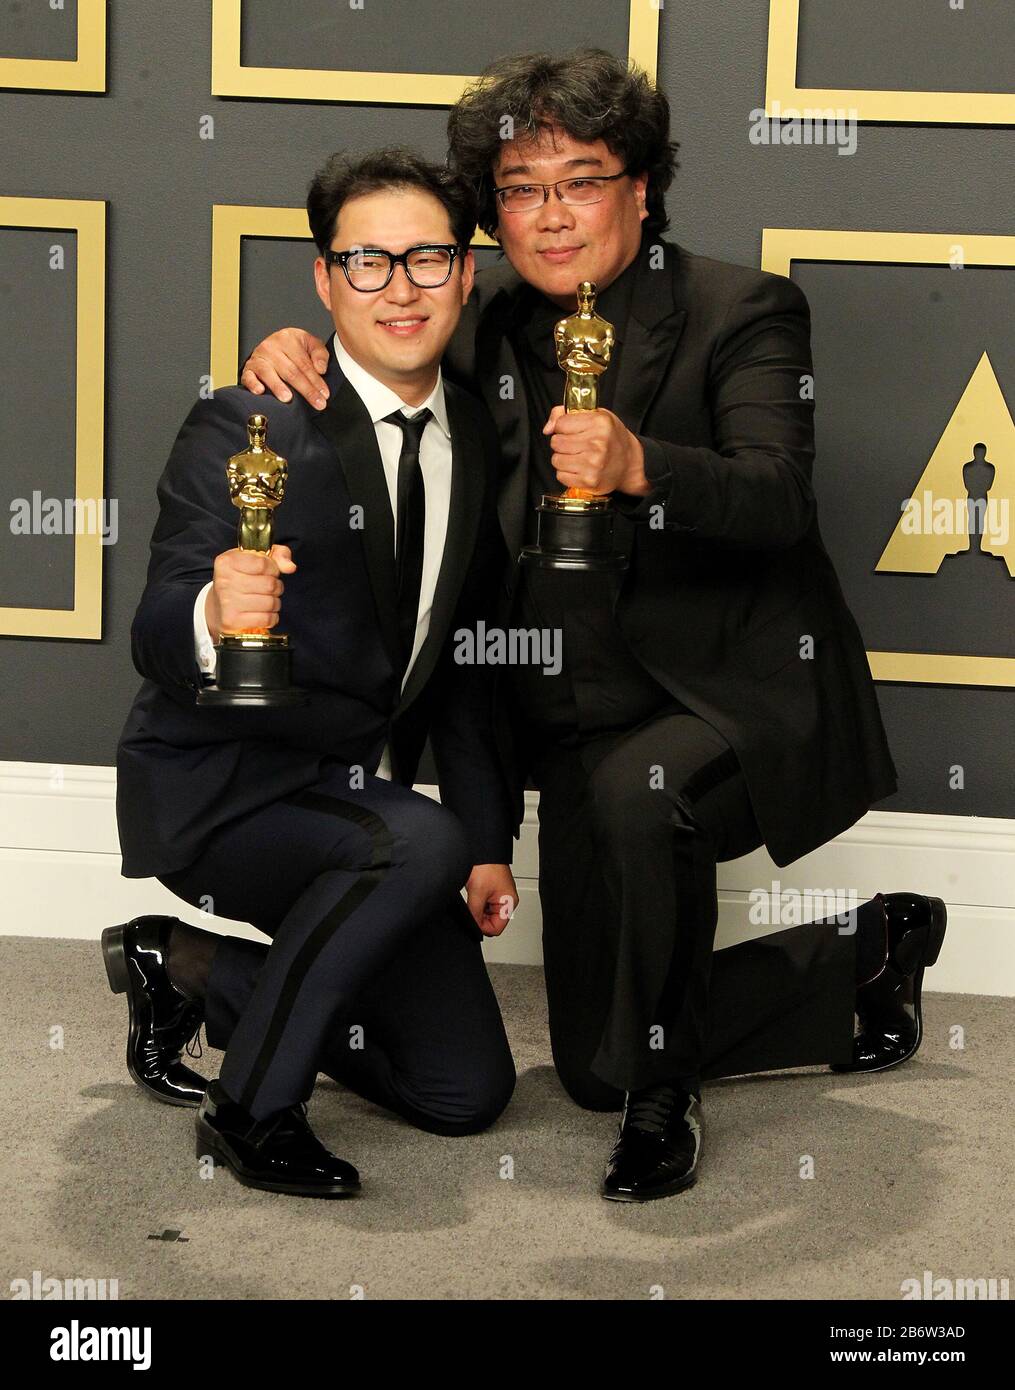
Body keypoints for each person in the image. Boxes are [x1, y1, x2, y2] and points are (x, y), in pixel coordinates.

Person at [239, 50, 947, 1203]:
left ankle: (668, 1107)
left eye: (581, 177)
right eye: (521, 187)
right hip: (571, 715)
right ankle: (860, 958)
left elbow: (774, 498)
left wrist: (642, 467)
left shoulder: (741, 307)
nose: (552, 212)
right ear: (493, 215)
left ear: (642, 188)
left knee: (642, 818)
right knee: (587, 1066)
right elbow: (384, 337)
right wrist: (295, 351)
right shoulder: (480, 328)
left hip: (729, 691)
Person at [106, 148, 520, 1199]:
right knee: (408, 838)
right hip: (223, 790)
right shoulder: (251, 421)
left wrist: (483, 841)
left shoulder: (470, 432)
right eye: (367, 261)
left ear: (466, 274)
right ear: (324, 279)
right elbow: (156, 625)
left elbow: (467, 667)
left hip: (355, 805)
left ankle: (192, 969)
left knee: (464, 1091)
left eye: (427, 258)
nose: (401, 287)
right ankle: (249, 1114)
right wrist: (213, 610)